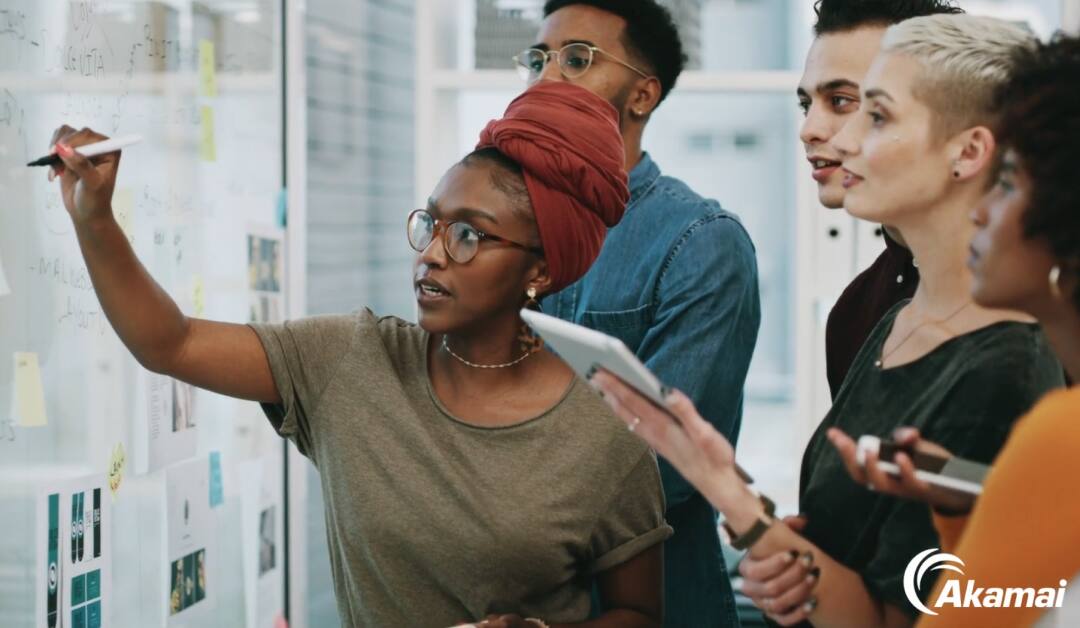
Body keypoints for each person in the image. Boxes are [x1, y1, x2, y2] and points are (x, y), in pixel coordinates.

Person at [46, 81, 672, 628]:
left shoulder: (604, 430)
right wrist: (94, 219)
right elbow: (171, 342)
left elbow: (641, 614)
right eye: (430, 224)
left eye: (467, 235)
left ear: (540, 269)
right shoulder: (350, 361)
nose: (431, 254)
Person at [591, 14, 1064, 627]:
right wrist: (786, 547)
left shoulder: (1006, 367)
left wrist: (724, 488)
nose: (838, 139)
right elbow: (860, 558)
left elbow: (905, 614)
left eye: (874, 114)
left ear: (970, 151)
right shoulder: (887, 316)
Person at [830, 33, 1080, 627]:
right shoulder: (875, 311)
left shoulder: (1057, 429)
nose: (982, 209)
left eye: (1009, 182)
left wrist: (737, 504)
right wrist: (975, 505)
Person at [525, 2, 761, 624]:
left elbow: (663, 472)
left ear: (642, 95)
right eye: (538, 59)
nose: (548, 77)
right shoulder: (508, 225)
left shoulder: (700, 241)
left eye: (578, 59)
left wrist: (492, 493)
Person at [799, 0, 963, 398]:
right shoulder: (853, 312)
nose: (809, 129)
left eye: (841, 101)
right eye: (805, 105)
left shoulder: (1030, 293)